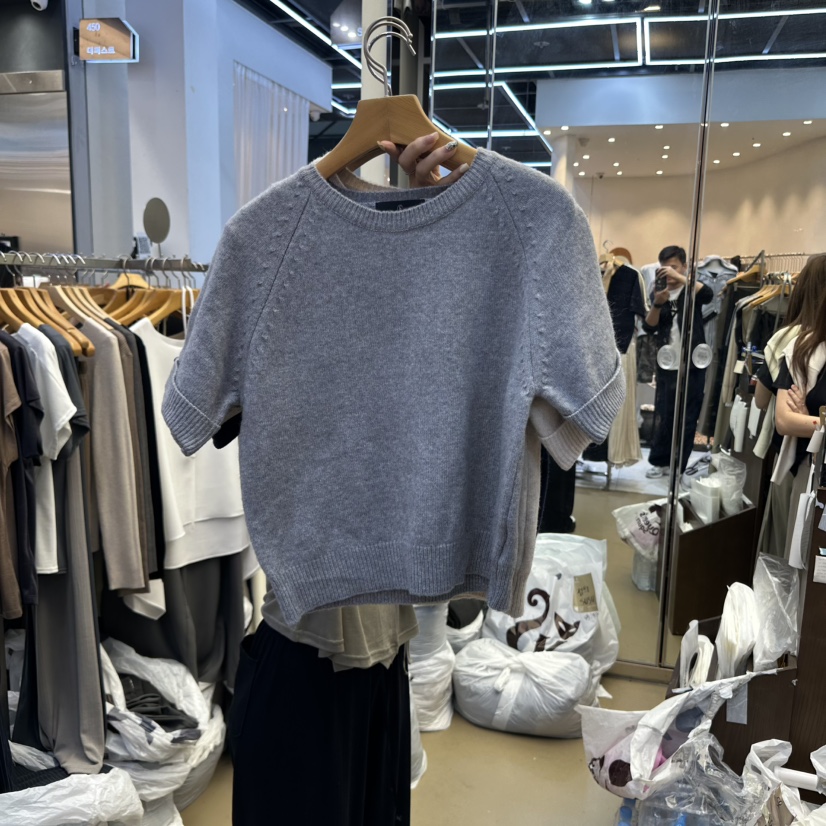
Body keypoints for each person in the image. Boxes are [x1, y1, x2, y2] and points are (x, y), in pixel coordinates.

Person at [643, 245, 714, 478]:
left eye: (673, 267)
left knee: (688, 417)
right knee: (664, 415)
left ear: (684, 266)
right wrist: (658, 303)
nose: (668, 273)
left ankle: (679, 467)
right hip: (667, 364)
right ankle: (660, 462)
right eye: (664, 268)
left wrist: (682, 279)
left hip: (692, 364)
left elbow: (709, 295)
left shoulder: (691, 290)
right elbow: (649, 326)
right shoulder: (659, 291)